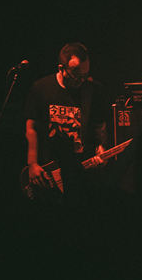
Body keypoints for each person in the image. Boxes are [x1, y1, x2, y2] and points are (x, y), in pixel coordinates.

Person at [24, 42, 108, 202]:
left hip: (81, 173)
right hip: (49, 171)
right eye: (76, 75)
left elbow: (99, 127)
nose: (81, 80)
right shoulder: (41, 88)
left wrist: (101, 148)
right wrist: (32, 163)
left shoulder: (94, 91)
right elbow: (31, 128)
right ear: (61, 68)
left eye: (85, 75)